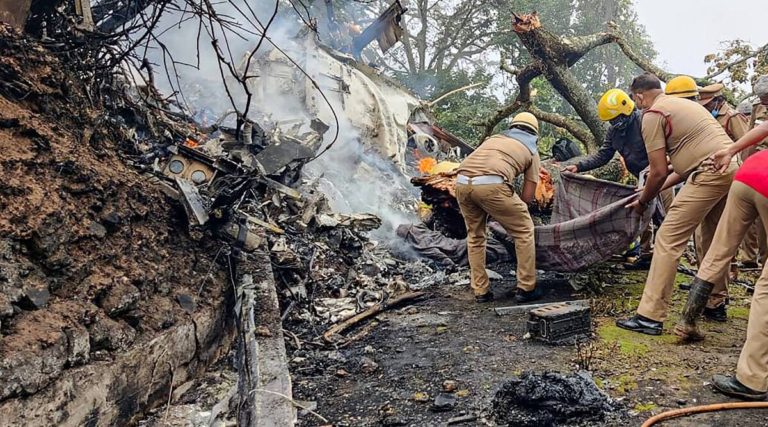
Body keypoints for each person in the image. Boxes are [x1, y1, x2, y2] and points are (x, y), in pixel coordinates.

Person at [616, 73, 737, 335]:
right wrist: (644, 192)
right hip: (729, 168)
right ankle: (715, 302)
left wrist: (643, 201)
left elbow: (657, 171)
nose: (638, 106)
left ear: (639, 96)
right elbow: (682, 167)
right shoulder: (685, 106)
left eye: (636, 101)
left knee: (668, 239)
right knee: (711, 237)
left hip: (709, 171)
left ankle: (650, 316)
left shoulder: (653, 114)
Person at [674, 121, 768, 400]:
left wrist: (730, 150)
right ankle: (752, 378)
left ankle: (687, 320)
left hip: (749, 172)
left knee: (719, 249)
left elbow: (764, 127)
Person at [563, 88, 673, 269]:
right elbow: (603, 155)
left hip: (662, 174)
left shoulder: (645, 121)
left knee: (666, 216)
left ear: (627, 109)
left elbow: (666, 148)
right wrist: (579, 166)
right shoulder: (614, 132)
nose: (616, 122)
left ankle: (668, 258)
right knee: (643, 213)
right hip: (640, 177)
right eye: (612, 121)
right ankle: (647, 255)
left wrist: (660, 169)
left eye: (618, 118)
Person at [454, 112, 542, 304]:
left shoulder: (494, 138)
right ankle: (526, 287)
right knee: (524, 230)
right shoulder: (531, 149)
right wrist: (510, 210)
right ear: (535, 132)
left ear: (512, 127)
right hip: (492, 185)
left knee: (475, 236)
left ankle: (481, 291)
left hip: (461, 182)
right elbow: (528, 196)